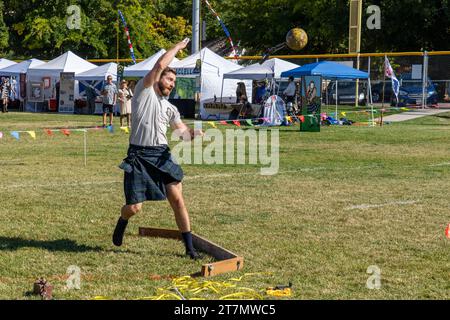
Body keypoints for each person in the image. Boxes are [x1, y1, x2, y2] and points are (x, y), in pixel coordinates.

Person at [112, 38, 205, 260]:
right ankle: (123, 220)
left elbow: (180, 132)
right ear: (158, 80)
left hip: (161, 155)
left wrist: (192, 135)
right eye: (169, 79)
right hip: (139, 156)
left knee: (177, 199)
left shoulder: (171, 108)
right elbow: (159, 65)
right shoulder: (144, 93)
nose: (172, 84)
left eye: (174, 81)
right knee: (134, 208)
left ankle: (190, 249)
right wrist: (178, 48)